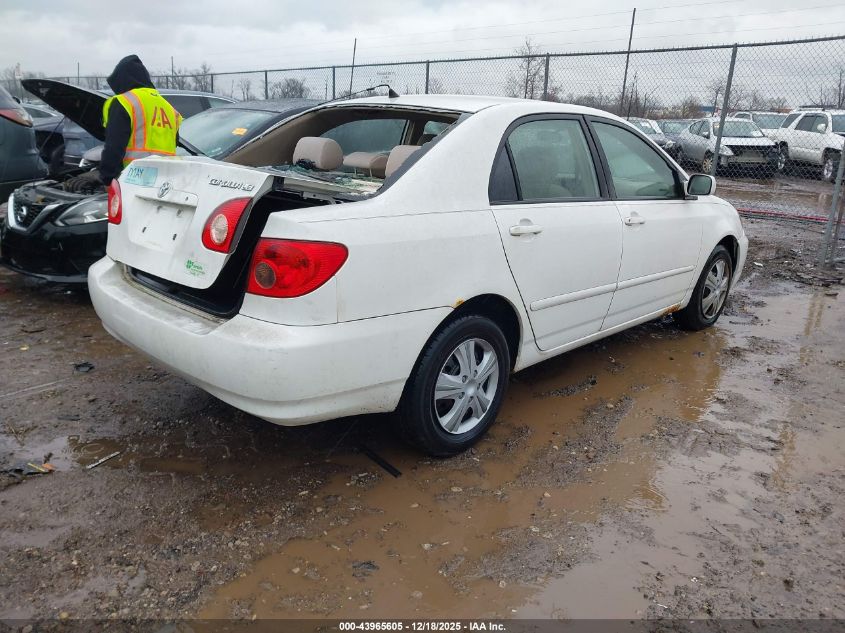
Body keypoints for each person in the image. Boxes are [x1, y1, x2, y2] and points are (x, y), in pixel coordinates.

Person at [71, 55, 182, 190]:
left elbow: (115, 145)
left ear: (122, 80)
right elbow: (173, 144)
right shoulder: (169, 109)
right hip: (164, 182)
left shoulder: (124, 102)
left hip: (133, 180)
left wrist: (105, 177)